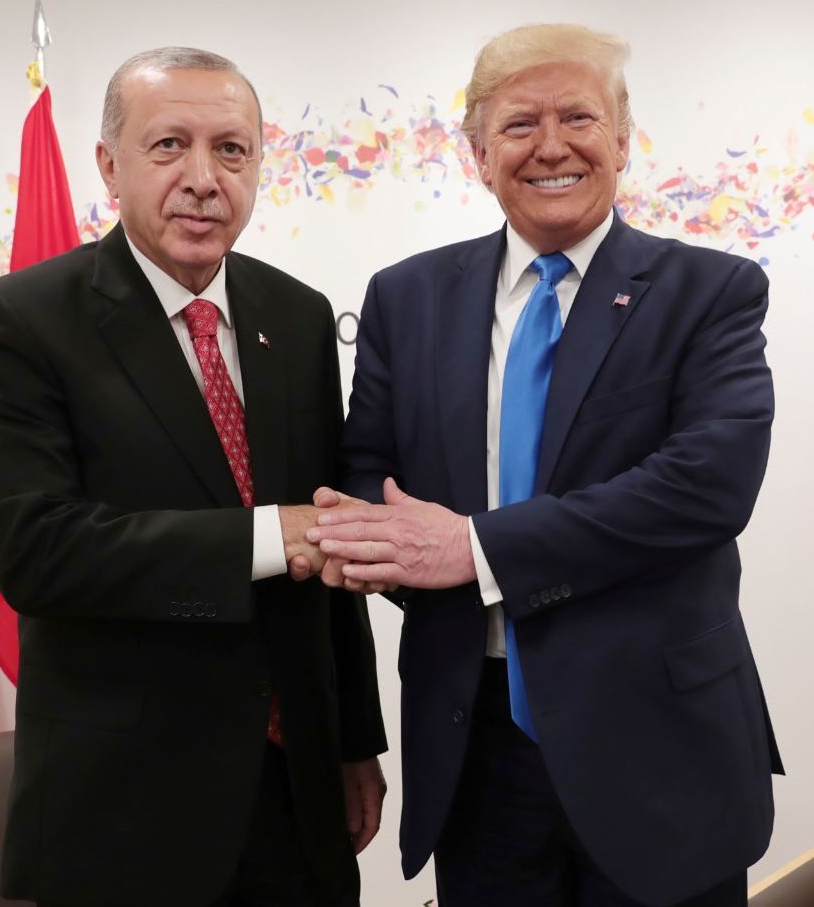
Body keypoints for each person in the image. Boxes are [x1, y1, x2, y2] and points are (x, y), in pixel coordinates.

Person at [307, 23, 781, 907]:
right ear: (479, 155)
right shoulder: (405, 298)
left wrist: (475, 549)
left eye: (579, 118)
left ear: (623, 141)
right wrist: (392, 543)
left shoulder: (710, 291)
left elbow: (707, 486)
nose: (552, 146)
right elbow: (369, 468)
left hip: (660, 749)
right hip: (477, 746)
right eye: (520, 124)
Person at [0, 47, 386, 907]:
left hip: (297, 796)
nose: (202, 178)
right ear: (109, 165)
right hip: (126, 814)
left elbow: (329, 545)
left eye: (231, 150)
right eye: (169, 146)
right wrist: (270, 534)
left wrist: (352, 740)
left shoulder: (299, 316)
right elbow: (36, 551)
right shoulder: (23, 319)